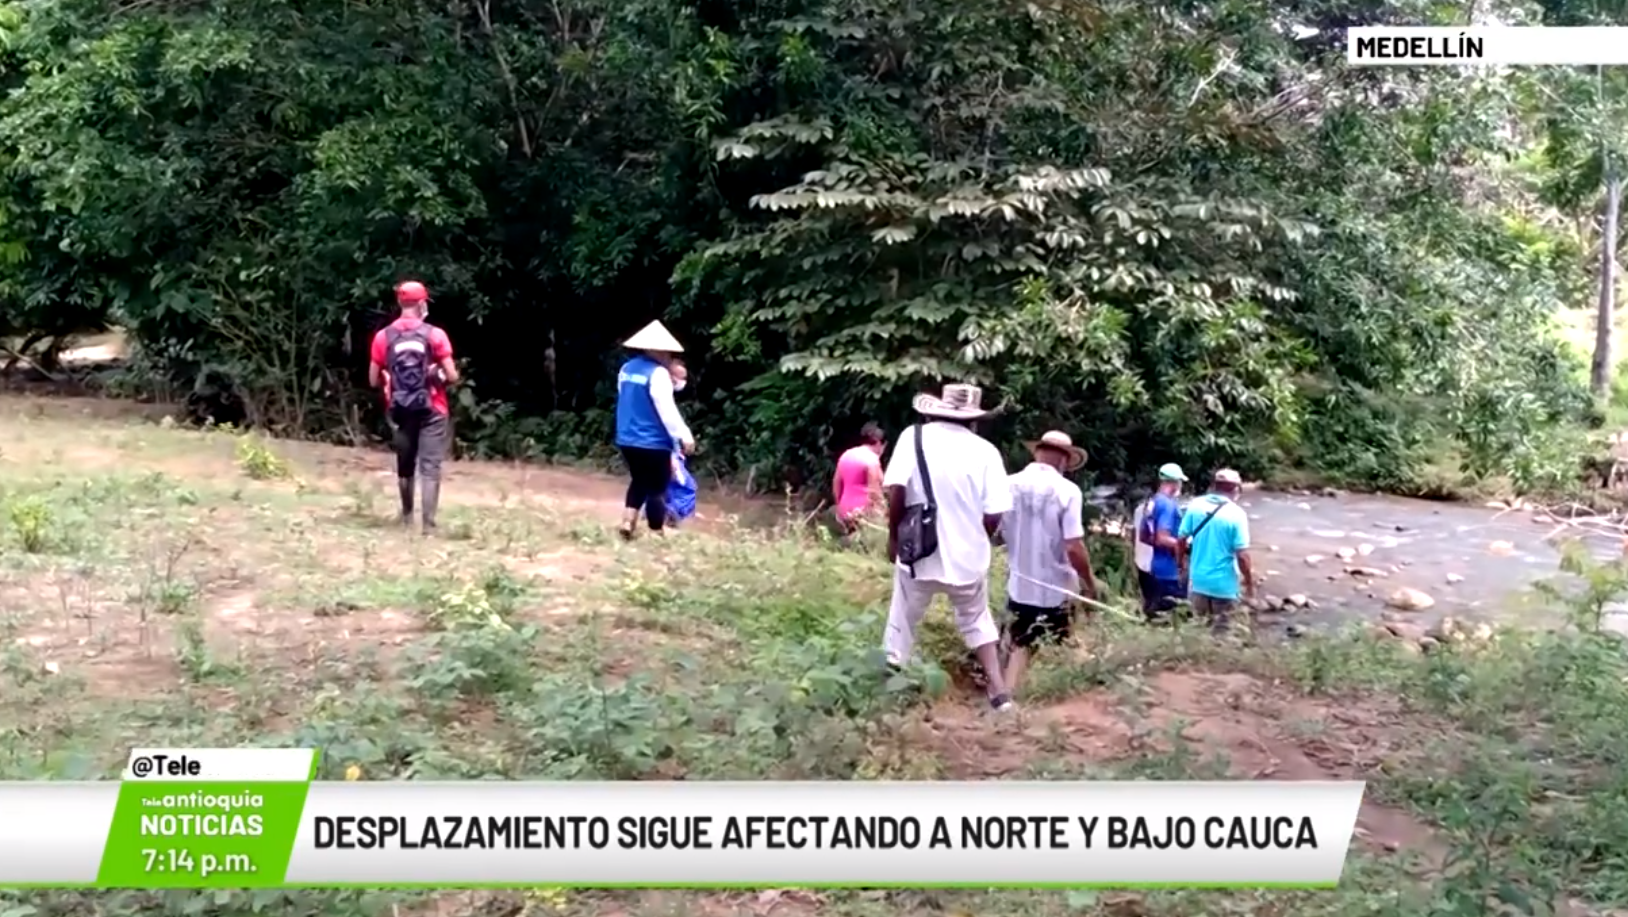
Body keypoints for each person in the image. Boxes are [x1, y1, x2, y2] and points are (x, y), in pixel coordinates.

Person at [882, 383, 1015, 712]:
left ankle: (891, 694)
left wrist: (894, 535)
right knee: (976, 619)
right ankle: (999, 693)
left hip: (920, 551)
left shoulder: (913, 438)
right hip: (968, 558)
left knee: (903, 619)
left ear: (935, 409)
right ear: (974, 420)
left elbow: (896, 492)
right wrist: (976, 535)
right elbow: (995, 512)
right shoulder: (986, 452)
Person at [1001, 430, 1098, 696]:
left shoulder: (1007, 484)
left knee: (1020, 644)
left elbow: (994, 531)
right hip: (1057, 589)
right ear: (1065, 460)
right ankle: (1085, 692)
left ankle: (1007, 704)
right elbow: (1073, 546)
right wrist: (1089, 582)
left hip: (1020, 585)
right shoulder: (1068, 490)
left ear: (1036, 452)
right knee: (1065, 640)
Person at [368, 280, 458, 532]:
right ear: (422, 304)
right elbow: (452, 377)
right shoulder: (435, 335)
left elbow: (373, 379)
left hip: (399, 409)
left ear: (399, 303)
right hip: (433, 408)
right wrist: (434, 374)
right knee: (430, 467)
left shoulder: (383, 337)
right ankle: (428, 525)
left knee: (405, 465)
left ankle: (407, 517)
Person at [614, 320, 694, 540]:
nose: (668, 356)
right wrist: (684, 435)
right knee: (657, 487)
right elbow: (666, 409)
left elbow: (629, 398)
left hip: (627, 438)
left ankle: (628, 522)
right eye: (666, 352)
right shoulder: (658, 374)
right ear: (658, 350)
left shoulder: (626, 369)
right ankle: (656, 532)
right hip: (653, 440)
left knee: (639, 479)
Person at [1176, 468, 1256, 635]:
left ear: (1213, 486)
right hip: (1224, 585)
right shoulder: (1236, 514)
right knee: (1222, 632)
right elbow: (1242, 556)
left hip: (1198, 581)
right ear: (1236, 489)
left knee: (1198, 629)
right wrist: (1249, 582)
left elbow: (1181, 540)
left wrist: (1180, 564)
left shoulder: (1195, 506)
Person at [1134, 463, 1189, 623]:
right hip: (1167, 572)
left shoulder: (1152, 502)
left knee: (1153, 615)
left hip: (1150, 569)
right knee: (1174, 618)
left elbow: (1144, 536)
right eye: (1180, 482)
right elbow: (1162, 538)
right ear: (1175, 483)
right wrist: (1184, 546)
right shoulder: (1168, 505)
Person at [832, 423, 886, 534]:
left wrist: (839, 506)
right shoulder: (872, 460)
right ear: (880, 443)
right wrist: (884, 513)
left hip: (844, 511)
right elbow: (874, 492)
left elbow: (836, 484)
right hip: (864, 514)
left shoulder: (846, 455)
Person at [664, 361, 698, 528]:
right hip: (668, 452)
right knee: (687, 488)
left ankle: (656, 516)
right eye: (680, 378)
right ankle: (672, 517)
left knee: (662, 487)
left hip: (667, 451)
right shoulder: (661, 399)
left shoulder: (662, 397)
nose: (682, 382)